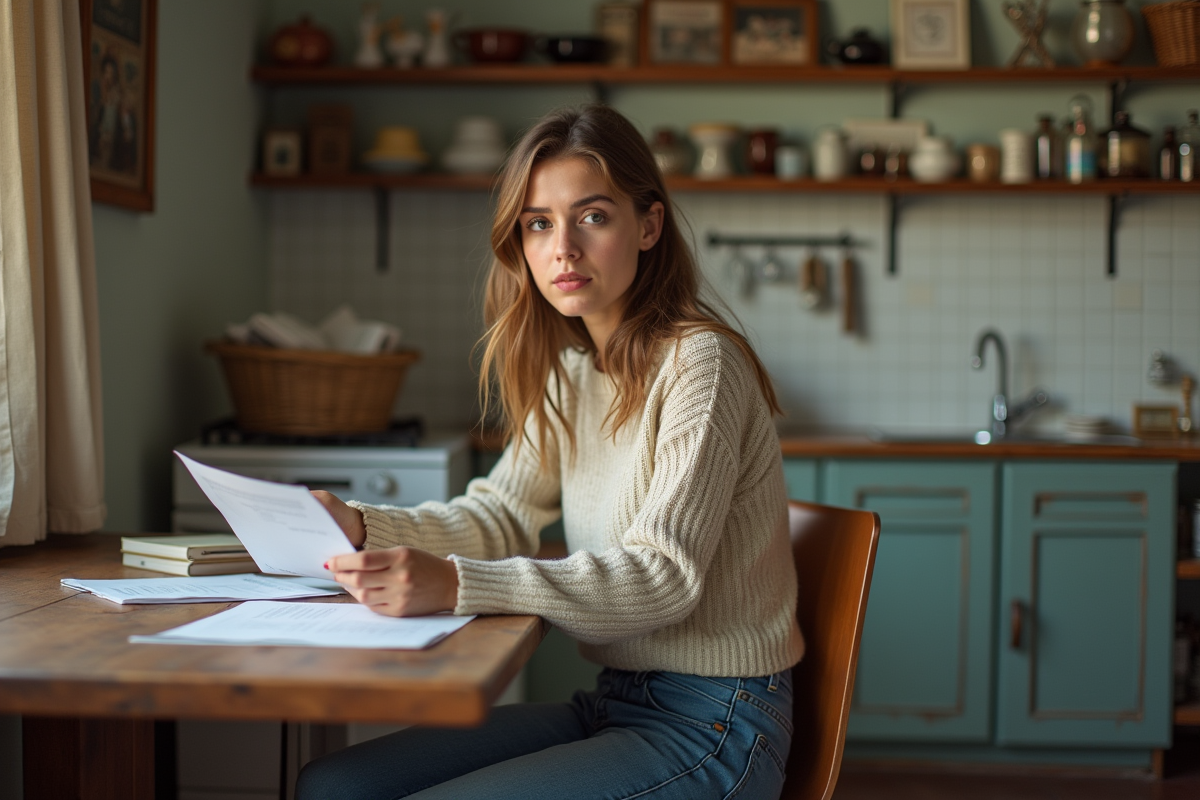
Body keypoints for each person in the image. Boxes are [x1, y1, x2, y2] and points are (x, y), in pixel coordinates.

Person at [296, 104, 804, 800]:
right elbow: (499, 514)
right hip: (615, 702)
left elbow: (664, 578)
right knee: (334, 786)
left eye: (592, 216)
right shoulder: (573, 376)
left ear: (649, 225)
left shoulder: (701, 362)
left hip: (716, 725)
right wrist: (361, 526)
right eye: (538, 223)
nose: (562, 248)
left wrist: (457, 583)